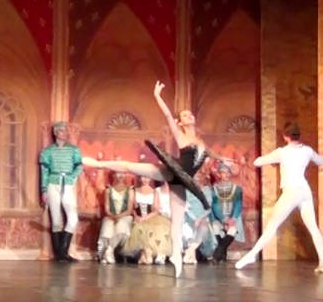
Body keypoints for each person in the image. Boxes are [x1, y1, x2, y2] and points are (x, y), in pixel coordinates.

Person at [83, 80, 236, 277]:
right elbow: (168, 116)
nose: (189, 115)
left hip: (183, 181)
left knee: (177, 222)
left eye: (190, 113)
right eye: (184, 115)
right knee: (130, 167)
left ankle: (176, 258)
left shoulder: (200, 141)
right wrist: (157, 95)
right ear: (180, 123)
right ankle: (99, 164)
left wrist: (223, 158)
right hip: (172, 171)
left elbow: (209, 153)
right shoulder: (180, 135)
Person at [235, 123, 323, 273]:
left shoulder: (282, 152)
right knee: (313, 228)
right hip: (304, 191)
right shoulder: (307, 150)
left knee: (272, 226)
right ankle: (322, 264)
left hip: (291, 192)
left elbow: (258, 162)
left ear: (286, 137)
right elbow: (321, 161)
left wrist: (261, 161)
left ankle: (251, 255)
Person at [40, 121, 83, 263]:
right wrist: (44, 190)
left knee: (73, 218)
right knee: (56, 219)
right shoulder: (48, 151)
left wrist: (72, 177)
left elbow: (79, 166)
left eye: (66, 130)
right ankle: (60, 256)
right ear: (56, 132)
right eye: (62, 130)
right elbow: (44, 172)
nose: (65, 133)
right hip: (53, 183)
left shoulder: (74, 150)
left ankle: (63, 251)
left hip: (68, 184)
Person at [122, 176, 172, 265]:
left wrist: (145, 218)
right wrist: (136, 216)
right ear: (140, 178)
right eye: (143, 177)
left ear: (150, 179)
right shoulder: (134, 191)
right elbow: (131, 208)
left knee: (156, 230)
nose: (145, 180)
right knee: (139, 229)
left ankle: (150, 254)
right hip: (138, 218)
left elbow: (156, 210)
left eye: (147, 178)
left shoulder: (155, 191)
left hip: (151, 218)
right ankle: (144, 254)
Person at [209, 162, 245, 264]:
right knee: (215, 227)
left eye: (228, 172)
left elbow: (238, 205)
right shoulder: (213, 189)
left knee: (232, 229)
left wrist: (233, 219)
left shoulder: (237, 189)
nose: (226, 175)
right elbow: (214, 205)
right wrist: (223, 219)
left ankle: (217, 254)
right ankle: (222, 255)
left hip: (233, 217)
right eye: (224, 172)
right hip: (218, 218)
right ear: (219, 174)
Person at [97, 171, 134, 264]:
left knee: (122, 226)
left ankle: (110, 249)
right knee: (107, 225)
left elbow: (129, 210)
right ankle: (104, 253)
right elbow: (107, 208)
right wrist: (112, 216)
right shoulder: (108, 190)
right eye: (118, 173)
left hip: (125, 215)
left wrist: (119, 216)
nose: (120, 175)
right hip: (111, 215)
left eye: (123, 173)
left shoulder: (130, 190)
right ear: (113, 175)